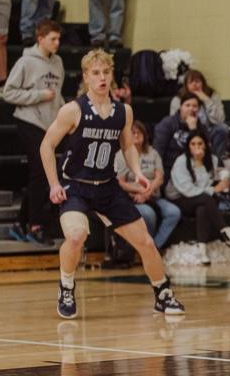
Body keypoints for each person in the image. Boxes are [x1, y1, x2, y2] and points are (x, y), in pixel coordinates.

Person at [39, 49, 183, 319]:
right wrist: (53, 184)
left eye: (106, 72)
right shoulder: (73, 110)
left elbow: (127, 146)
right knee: (76, 235)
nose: (102, 77)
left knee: (147, 243)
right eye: (96, 73)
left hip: (107, 187)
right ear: (86, 77)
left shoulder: (123, 111)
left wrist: (137, 171)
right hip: (76, 186)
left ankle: (163, 294)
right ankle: (66, 285)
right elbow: (46, 145)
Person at [4, 19, 65, 245]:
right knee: (41, 172)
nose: (57, 43)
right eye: (53, 39)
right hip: (29, 121)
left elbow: (57, 94)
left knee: (41, 175)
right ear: (40, 39)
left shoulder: (58, 62)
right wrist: (37, 96)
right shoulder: (25, 62)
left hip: (49, 125)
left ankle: (20, 222)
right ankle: (36, 225)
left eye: (59, 39)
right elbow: (9, 93)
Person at [168, 130, 230, 264]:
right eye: (193, 144)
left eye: (200, 143)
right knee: (206, 199)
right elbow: (188, 190)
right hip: (180, 198)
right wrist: (214, 189)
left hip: (200, 199)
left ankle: (202, 251)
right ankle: (226, 232)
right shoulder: (181, 162)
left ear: (206, 145)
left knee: (203, 208)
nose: (196, 147)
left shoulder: (212, 160)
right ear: (188, 146)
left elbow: (222, 171)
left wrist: (224, 177)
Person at [114, 120, 181, 249]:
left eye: (139, 132)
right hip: (133, 198)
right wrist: (139, 191)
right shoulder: (121, 155)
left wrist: (147, 192)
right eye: (132, 133)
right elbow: (120, 183)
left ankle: (154, 246)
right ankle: (145, 248)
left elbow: (160, 178)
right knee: (148, 214)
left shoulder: (152, 153)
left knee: (174, 212)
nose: (136, 135)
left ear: (145, 135)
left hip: (153, 196)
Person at [153, 92, 224, 173]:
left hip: (194, 167)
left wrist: (193, 129)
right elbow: (158, 151)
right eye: (187, 105)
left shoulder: (201, 127)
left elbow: (204, 151)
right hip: (169, 167)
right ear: (181, 107)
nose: (191, 109)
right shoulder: (168, 123)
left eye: (195, 106)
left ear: (199, 109)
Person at [168, 70, 229, 159]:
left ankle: (215, 161)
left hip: (207, 131)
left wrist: (206, 99)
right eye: (191, 82)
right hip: (186, 132)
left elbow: (220, 120)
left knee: (223, 128)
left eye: (197, 81)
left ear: (203, 83)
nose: (194, 85)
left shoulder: (212, 96)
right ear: (186, 85)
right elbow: (173, 122)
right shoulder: (178, 99)